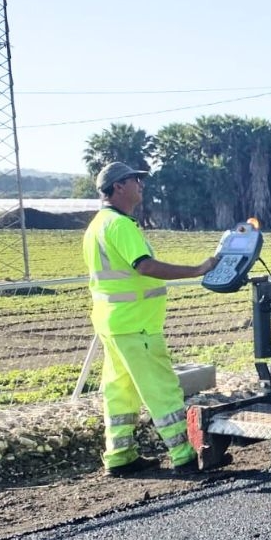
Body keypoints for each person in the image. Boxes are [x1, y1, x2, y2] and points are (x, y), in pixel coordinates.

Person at [84, 162, 219, 476]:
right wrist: (198, 270)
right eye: (136, 180)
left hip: (112, 323)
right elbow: (145, 267)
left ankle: (119, 457)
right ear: (119, 186)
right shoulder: (120, 225)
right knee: (162, 390)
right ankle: (184, 456)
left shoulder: (97, 225)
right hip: (136, 325)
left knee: (120, 391)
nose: (141, 185)